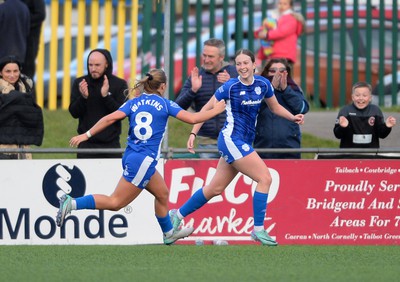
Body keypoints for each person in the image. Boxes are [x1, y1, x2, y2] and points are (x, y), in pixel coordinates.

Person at [57, 69, 226, 245]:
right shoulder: (165, 104)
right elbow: (193, 118)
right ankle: (72, 203)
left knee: (162, 193)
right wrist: (216, 110)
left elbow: (109, 118)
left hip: (132, 156)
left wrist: (86, 134)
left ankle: (168, 233)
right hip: (143, 161)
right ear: (163, 86)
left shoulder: (134, 103)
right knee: (115, 202)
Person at [170, 49, 304, 246]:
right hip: (231, 140)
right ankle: (258, 230)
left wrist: (293, 117)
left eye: (245, 63)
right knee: (264, 178)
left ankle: (177, 215)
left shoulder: (263, 84)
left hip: (242, 142)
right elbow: (207, 108)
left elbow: (275, 108)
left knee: (215, 188)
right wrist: (193, 133)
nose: (242, 67)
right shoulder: (230, 87)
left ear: (253, 64)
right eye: (239, 64)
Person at [175, 38, 238, 158]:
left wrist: (232, 83)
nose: (206, 60)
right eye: (204, 55)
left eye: (211, 56)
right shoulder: (197, 75)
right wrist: (193, 90)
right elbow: (178, 107)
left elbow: (249, 98)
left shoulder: (234, 73)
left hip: (233, 139)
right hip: (207, 142)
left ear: (221, 57)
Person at [69, 48, 128, 159]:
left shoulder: (119, 84)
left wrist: (106, 96)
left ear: (106, 64)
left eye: (97, 65)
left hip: (111, 146)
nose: (93, 69)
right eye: (90, 65)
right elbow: (73, 113)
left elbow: (121, 114)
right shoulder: (81, 83)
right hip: (86, 145)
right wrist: (84, 98)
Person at [254, 58, 309, 159]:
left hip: (289, 146)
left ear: (287, 73)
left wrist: (286, 90)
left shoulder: (293, 88)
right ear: (267, 73)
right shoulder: (258, 89)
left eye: (281, 71)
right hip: (263, 146)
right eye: (273, 71)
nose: (277, 74)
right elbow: (252, 107)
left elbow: (302, 108)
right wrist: (270, 89)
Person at [0, 55, 44, 159]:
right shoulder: (25, 93)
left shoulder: (27, 87)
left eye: (15, 71)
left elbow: (34, 116)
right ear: (0, 72)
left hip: (24, 150)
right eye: (8, 71)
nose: (12, 75)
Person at [333, 81, 396, 148]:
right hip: (349, 154)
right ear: (352, 97)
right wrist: (342, 127)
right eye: (357, 95)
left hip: (371, 154)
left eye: (364, 95)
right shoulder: (345, 111)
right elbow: (337, 135)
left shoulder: (375, 111)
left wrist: (387, 126)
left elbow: (382, 135)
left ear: (370, 98)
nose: (361, 98)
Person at [254, 0, 304, 67]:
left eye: (285, 4)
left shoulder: (291, 18)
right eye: (280, 3)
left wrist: (266, 35)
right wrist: (260, 32)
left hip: (284, 53)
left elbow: (282, 32)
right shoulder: (275, 17)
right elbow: (265, 27)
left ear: (290, 6)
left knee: (280, 74)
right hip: (273, 53)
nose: (281, 6)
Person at [21, 0, 46, 79]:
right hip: (12, 42)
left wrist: (21, 21)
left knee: (26, 77)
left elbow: (40, 15)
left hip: (29, 43)